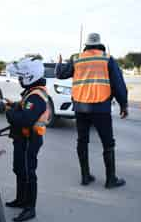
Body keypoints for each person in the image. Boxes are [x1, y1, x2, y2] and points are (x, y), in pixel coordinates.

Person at [55, 32, 128, 189]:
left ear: (86, 45)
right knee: (107, 143)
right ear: (99, 43)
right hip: (100, 107)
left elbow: (60, 74)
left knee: (82, 141)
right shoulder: (107, 58)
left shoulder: (77, 58)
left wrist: (59, 63)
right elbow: (118, 84)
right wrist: (124, 104)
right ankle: (110, 179)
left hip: (81, 107)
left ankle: (85, 176)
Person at [4, 57, 49, 222]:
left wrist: (9, 112)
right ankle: (21, 199)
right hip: (23, 138)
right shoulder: (32, 93)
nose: (20, 79)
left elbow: (25, 119)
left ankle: (30, 208)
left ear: (30, 76)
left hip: (30, 139)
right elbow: (25, 108)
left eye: (22, 76)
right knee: (19, 169)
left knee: (29, 172)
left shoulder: (36, 96)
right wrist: (15, 105)